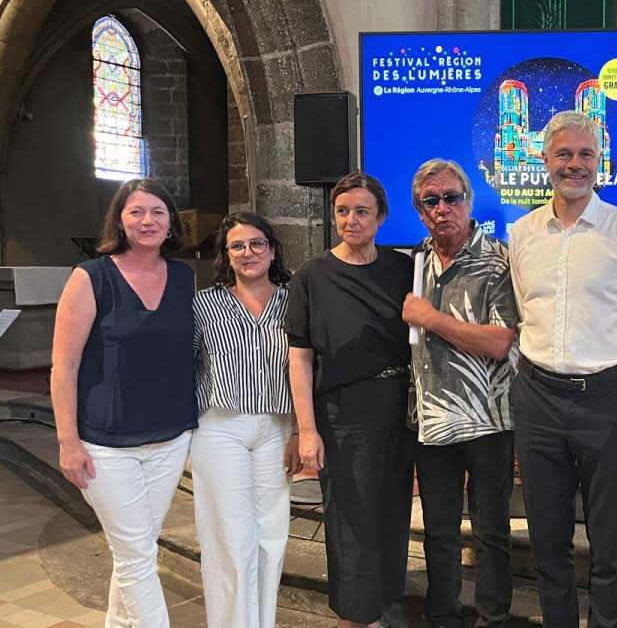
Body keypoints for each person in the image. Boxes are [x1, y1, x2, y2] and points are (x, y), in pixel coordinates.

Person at [508, 110, 617, 627]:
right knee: (548, 544)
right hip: (537, 401)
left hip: (606, 400)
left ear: (600, 162)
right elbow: (522, 312)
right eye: (564, 155)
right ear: (545, 160)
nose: (574, 165)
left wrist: (615, 383)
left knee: (610, 544)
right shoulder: (521, 234)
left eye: (585, 155)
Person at [50, 178, 197, 627]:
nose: (147, 221)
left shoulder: (185, 276)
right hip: (105, 444)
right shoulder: (91, 277)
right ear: (120, 219)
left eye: (157, 211)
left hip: (170, 437)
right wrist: (67, 441)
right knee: (136, 558)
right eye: (136, 212)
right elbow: (64, 366)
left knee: (135, 550)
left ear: (171, 222)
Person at [285, 172, 416, 628]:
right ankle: (355, 616)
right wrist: (306, 430)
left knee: (394, 509)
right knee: (351, 516)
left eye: (362, 211)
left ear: (381, 216)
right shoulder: (313, 276)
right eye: (343, 211)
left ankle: (387, 605)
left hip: (398, 405)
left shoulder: (403, 270)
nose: (351, 220)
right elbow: (299, 357)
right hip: (344, 410)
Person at [403, 159, 518, 628]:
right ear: (420, 210)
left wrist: (431, 319)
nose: (442, 208)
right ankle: (443, 615)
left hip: (488, 418)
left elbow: (500, 341)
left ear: (469, 202)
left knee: (491, 532)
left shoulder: (499, 259)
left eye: (451, 198)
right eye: (431, 201)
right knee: (440, 533)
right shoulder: (417, 260)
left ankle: (493, 618)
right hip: (430, 420)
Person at [192, 212, 301, 627]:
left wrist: (296, 430)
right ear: (226, 254)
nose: (248, 252)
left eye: (257, 243)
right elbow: (185, 364)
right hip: (220, 428)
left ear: (272, 250)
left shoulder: (294, 299)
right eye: (237, 245)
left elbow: (305, 365)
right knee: (229, 539)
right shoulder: (205, 304)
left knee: (271, 537)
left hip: (275, 428)